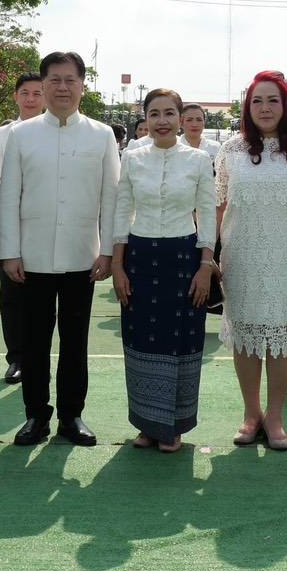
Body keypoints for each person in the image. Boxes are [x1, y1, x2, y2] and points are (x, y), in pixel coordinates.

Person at [0, 52, 119, 447]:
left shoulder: (102, 135)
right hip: (30, 256)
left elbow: (111, 198)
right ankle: (36, 415)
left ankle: (71, 415)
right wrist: (10, 252)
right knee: (34, 342)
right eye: (55, 80)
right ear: (44, 85)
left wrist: (107, 251)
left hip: (83, 256)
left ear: (83, 85)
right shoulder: (21, 134)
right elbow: (9, 197)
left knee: (74, 341)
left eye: (70, 80)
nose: (62, 87)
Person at [215, 72, 287, 450]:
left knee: (283, 336)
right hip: (242, 258)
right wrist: (213, 255)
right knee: (245, 335)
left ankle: (276, 416)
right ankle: (252, 415)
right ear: (247, 108)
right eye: (257, 101)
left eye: (272, 100)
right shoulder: (231, 150)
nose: (264, 108)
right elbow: (218, 204)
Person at [110, 88, 216, 452]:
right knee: (140, 337)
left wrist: (206, 266)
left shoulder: (198, 160)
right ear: (145, 119)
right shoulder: (132, 157)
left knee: (181, 340)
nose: (162, 121)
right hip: (139, 258)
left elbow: (207, 215)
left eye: (169, 113)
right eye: (154, 114)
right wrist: (118, 265)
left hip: (184, 258)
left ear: (180, 119)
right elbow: (122, 211)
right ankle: (146, 424)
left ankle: (173, 427)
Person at [0, 72, 46, 384]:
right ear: (15, 96)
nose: (30, 99)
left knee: (42, 299)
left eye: (37, 93)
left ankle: (38, 358)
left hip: (45, 227)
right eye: (25, 93)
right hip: (9, 227)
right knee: (12, 297)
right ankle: (16, 358)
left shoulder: (55, 134)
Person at [179, 102, 221, 168]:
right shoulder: (174, 147)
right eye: (189, 120)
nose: (194, 124)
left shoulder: (215, 147)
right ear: (181, 123)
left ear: (204, 122)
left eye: (199, 120)